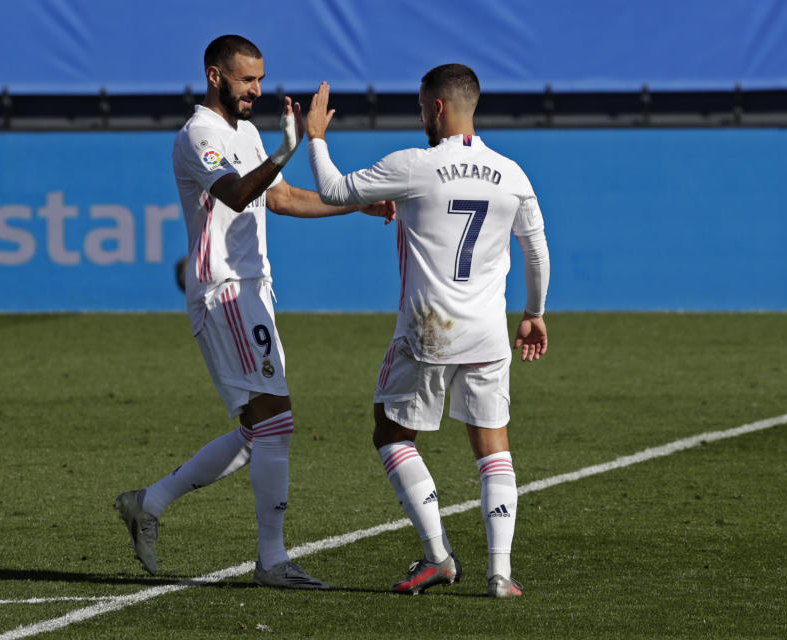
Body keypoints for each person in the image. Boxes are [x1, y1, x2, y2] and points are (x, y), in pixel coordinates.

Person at [115, 34, 393, 589]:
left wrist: (355, 204)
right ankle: (272, 560)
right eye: (246, 80)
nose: (257, 90)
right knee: (276, 421)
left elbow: (280, 197)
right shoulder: (199, 135)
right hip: (225, 290)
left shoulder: (245, 132)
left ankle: (149, 502)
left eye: (260, 79)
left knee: (257, 428)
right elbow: (238, 195)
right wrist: (286, 150)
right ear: (215, 76)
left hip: (254, 290)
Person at [305, 64, 550, 598]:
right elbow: (536, 249)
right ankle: (501, 574)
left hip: (428, 330)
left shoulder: (415, 165)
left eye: (421, 107)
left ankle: (438, 555)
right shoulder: (512, 173)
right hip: (488, 333)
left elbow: (332, 189)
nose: (421, 117)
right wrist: (533, 312)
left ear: (437, 107)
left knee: (391, 432)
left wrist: (317, 137)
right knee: (492, 446)